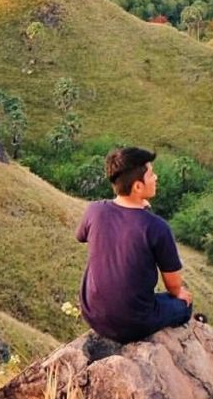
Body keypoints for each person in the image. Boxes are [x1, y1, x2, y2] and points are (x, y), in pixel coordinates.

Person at [75, 146, 193, 343]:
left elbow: (81, 236)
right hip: (134, 324)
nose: (156, 178)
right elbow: (174, 286)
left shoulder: (94, 211)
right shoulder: (157, 227)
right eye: (151, 175)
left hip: (94, 316)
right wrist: (181, 295)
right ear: (138, 187)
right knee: (184, 305)